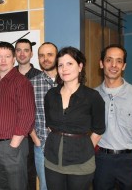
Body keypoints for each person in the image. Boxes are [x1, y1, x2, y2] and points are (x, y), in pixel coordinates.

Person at [44, 46, 106, 190]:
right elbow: (49, 125)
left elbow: (99, 129)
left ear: (80, 66)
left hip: (81, 162)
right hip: (52, 161)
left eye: (69, 63)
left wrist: (84, 148)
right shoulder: (51, 95)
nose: (64, 68)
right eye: (60, 65)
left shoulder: (92, 97)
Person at [93, 44, 132, 190]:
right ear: (101, 63)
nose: (114, 65)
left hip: (129, 160)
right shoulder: (93, 96)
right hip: (102, 160)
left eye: (119, 61)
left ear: (124, 66)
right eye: (109, 60)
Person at [0, 41, 35, 190]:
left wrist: (13, 145)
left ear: (13, 59)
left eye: (7, 56)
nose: (3, 60)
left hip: (12, 146)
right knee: (1, 187)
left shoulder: (22, 82)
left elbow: (27, 114)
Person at [29, 42, 58, 190]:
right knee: (45, 186)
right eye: (41, 55)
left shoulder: (69, 81)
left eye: (50, 54)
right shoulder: (31, 84)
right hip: (42, 147)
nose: (45, 58)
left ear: (57, 57)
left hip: (69, 148)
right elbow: (26, 115)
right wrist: (35, 139)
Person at [15, 38, 41, 190]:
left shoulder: (40, 76)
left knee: (30, 174)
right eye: (18, 50)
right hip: (13, 134)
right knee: (14, 174)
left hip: (33, 135)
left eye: (26, 50)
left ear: (31, 53)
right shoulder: (9, 76)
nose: (22, 53)